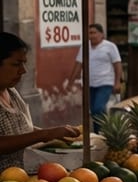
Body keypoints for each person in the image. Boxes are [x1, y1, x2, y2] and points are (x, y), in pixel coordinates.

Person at [0, 32, 80, 170]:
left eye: (23, 64)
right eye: (16, 64)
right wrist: (45, 134)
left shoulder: (11, 91)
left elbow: (22, 129)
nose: (23, 71)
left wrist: (54, 135)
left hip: (19, 179)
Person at [70, 23, 122, 123]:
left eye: (94, 33)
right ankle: (100, 132)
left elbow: (117, 64)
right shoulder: (85, 47)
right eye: (90, 33)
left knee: (98, 108)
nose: (92, 35)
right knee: (93, 110)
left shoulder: (110, 46)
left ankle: (103, 129)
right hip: (89, 84)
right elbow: (78, 63)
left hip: (105, 83)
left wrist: (117, 82)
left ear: (102, 34)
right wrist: (71, 81)